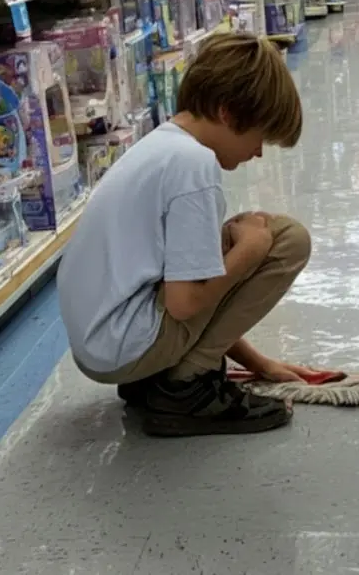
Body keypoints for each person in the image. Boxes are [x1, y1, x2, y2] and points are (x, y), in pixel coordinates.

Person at [57, 32, 313, 437]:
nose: (258, 152)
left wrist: (258, 364)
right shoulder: (195, 166)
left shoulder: (162, 145)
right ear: (228, 114)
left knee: (244, 237)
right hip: (127, 346)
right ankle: (185, 391)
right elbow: (185, 302)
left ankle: (163, 376)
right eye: (259, 136)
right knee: (286, 240)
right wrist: (251, 249)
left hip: (103, 344)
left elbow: (190, 290)